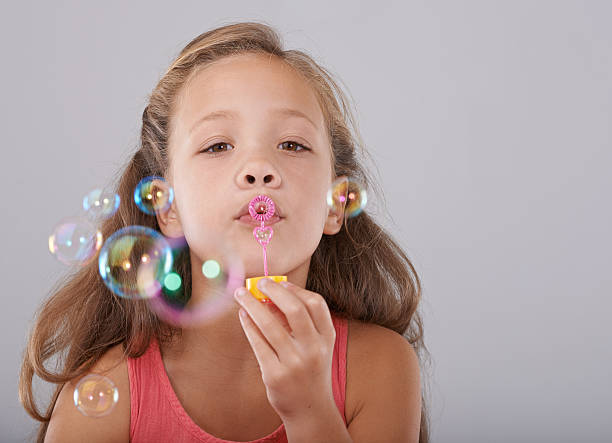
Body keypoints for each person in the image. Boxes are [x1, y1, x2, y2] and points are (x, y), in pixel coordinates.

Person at [19, 21, 430, 443]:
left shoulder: (380, 368)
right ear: (167, 206)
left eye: (292, 145)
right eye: (217, 145)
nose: (259, 169)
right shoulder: (114, 389)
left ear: (335, 204)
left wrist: (310, 409)